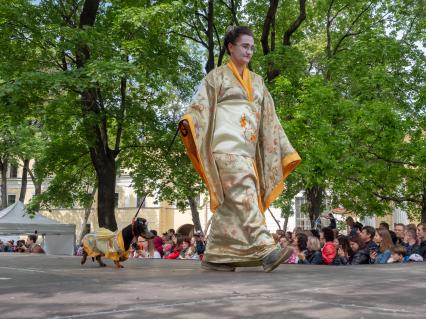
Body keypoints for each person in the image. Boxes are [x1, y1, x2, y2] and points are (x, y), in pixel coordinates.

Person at [179, 26, 301, 272]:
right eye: (245, 45)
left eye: (252, 47)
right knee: (245, 195)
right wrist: (189, 122)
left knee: (230, 204)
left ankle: (216, 256)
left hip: (247, 152)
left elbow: (270, 118)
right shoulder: (216, 77)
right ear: (230, 47)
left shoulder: (258, 82)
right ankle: (266, 250)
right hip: (224, 149)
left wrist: (284, 149)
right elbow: (200, 107)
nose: (250, 51)